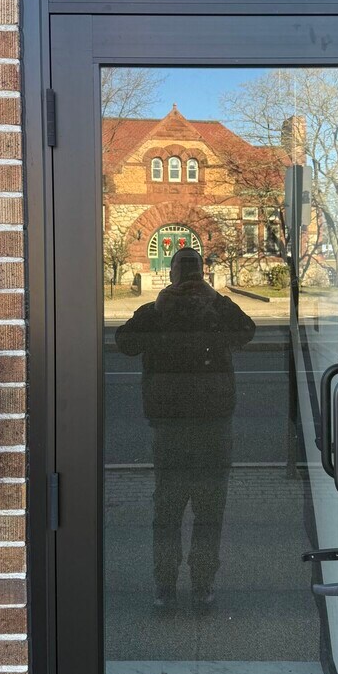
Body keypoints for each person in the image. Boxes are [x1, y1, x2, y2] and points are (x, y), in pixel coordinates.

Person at [115, 248, 255, 608]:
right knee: (174, 510)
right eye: (186, 269)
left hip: (206, 421)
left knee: (201, 509)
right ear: (172, 274)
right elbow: (125, 342)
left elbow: (247, 331)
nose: (190, 277)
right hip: (176, 422)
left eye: (194, 270)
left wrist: (214, 299)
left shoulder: (213, 309)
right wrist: (158, 308)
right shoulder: (159, 310)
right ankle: (171, 585)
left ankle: (197, 584)